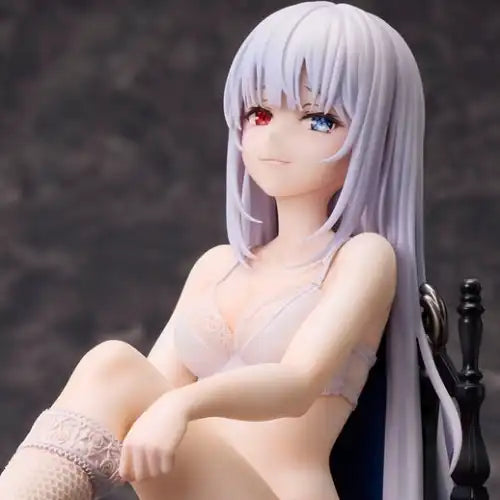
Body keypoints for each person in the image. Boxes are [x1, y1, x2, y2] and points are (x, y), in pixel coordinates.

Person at [0, 2, 462, 499]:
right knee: (111, 366)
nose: (275, 136)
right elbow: (141, 390)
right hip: (195, 485)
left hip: (279, 492)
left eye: (319, 120)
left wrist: (182, 405)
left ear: (378, 137)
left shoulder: (362, 258)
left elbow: (297, 384)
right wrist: (160, 408)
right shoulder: (217, 268)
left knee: (112, 362)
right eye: (259, 113)